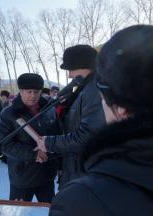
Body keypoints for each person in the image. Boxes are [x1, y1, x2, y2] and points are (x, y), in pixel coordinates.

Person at [49, 25, 153, 216]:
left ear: (121, 109)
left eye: (104, 99)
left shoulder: (81, 202)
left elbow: (84, 135)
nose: (69, 75)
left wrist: (48, 143)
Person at [35, 44, 105, 188]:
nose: (69, 75)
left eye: (71, 69)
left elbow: (87, 136)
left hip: (85, 175)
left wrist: (49, 143)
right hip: (76, 169)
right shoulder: (84, 89)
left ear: (85, 66)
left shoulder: (94, 91)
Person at [0, 73, 61, 203]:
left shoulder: (49, 109)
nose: (33, 95)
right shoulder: (9, 114)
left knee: (53, 210)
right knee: (17, 212)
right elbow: (4, 144)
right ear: (20, 91)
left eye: (36, 92)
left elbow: (58, 136)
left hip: (46, 174)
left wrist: (57, 160)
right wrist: (34, 154)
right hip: (22, 177)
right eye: (28, 91)